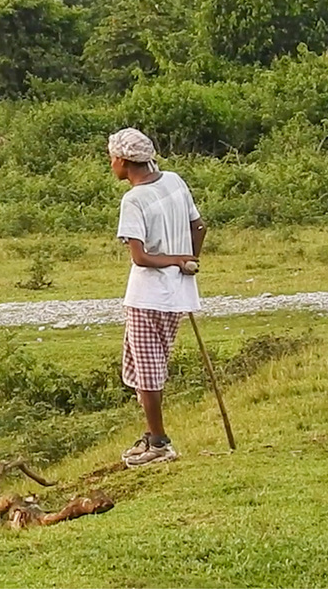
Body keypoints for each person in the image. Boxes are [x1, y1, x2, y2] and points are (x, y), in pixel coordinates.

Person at [108, 127, 206, 467]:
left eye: (112, 158)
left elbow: (141, 257)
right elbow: (199, 227)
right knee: (142, 365)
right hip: (177, 293)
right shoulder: (174, 181)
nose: (111, 164)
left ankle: (160, 443)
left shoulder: (133, 199)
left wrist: (178, 260)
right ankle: (151, 436)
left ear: (122, 160)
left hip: (149, 295)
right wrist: (189, 260)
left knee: (148, 371)